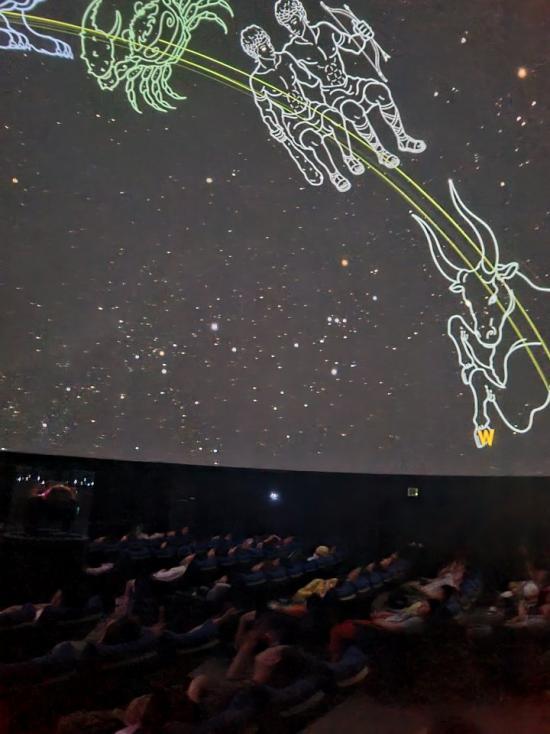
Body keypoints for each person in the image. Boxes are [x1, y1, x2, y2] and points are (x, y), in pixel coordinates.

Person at [274, 0, 426, 168]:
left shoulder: (324, 29)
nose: (292, 27)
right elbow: (302, 79)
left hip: (349, 83)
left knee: (380, 91)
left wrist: (362, 35)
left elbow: (353, 46)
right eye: (287, 24)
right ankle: (381, 152)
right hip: (332, 93)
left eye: (294, 20)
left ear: (302, 14)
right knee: (354, 111)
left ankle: (402, 139)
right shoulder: (291, 51)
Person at [241, 24, 366, 192]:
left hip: (310, 108)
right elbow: (266, 109)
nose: (269, 48)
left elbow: (309, 79)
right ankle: (334, 173)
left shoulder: (285, 58)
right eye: (263, 47)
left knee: (336, 119)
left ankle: (348, 157)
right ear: (254, 52)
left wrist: (321, 71)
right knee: (314, 139)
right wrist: (274, 127)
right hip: (293, 120)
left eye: (268, 42)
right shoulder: (258, 79)